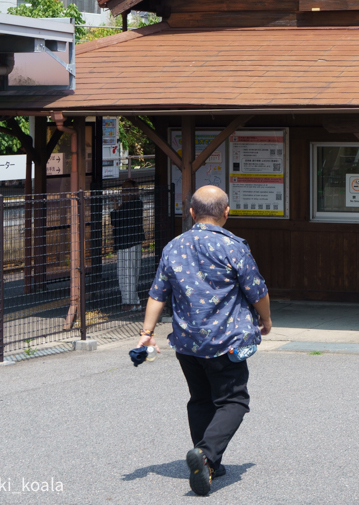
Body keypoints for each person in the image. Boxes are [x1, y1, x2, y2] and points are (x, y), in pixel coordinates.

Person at [136, 185, 272, 497]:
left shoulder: (173, 246)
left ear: (192, 212)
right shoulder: (233, 246)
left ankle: (210, 464)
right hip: (227, 341)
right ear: (226, 212)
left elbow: (158, 293)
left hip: (187, 342)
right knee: (233, 400)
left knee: (200, 399)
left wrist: (146, 333)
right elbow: (257, 289)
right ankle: (207, 454)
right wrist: (266, 319)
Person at [110, 179, 146, 311]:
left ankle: (128, 302)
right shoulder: (138, 203)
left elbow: (115, 220)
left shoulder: (127, 206)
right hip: (136, 242)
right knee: (134, 272)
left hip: (125, 243)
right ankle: (135, 302)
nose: (121, 192)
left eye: (124, 190)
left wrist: (114, 206)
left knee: (125, 273)